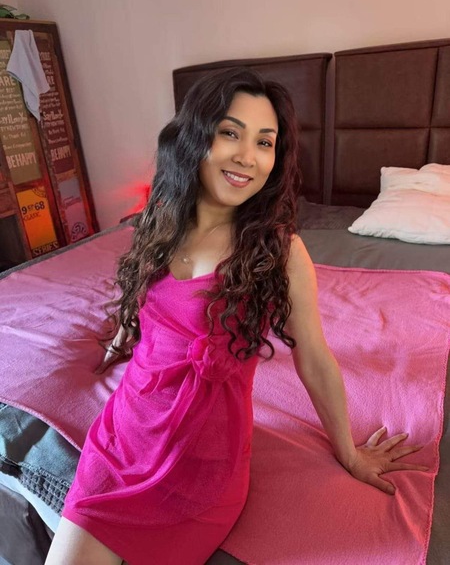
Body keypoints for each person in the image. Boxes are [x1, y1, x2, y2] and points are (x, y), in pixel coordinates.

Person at [45, 68, 427, 565]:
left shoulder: (279, 252)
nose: (248, 156)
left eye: (264, 142)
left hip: (202, 460)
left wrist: (349, 454)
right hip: (125, 432)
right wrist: (122, 337)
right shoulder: (160, 217)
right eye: (231, 133)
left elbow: (314, 357)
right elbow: (144, 297)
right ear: (196, 137)